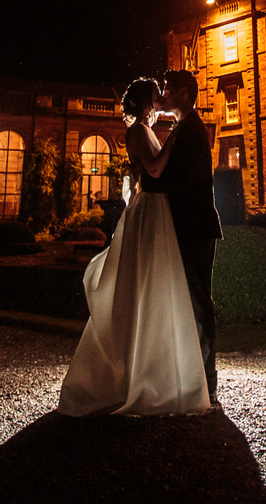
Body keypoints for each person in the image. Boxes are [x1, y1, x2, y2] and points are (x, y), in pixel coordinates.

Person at [56, 78, 211, 416]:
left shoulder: (147, 130)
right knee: (146, 286)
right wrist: (173, 140)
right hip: (150, 211)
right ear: (146, 102)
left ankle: (154, 369)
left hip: (157, 209)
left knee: (154, 288)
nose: (161, 99)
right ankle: (140, 374)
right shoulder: (141, 131)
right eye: (157, 95)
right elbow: (154, 169)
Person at [154, 68, 222, 403]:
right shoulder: (185, 127)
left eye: (168, 89)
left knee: (198, 301)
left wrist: (151, 185)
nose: (163, 94)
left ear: (183, 93)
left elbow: (188, 179)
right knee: (191, 301)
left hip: (194, 226)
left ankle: (206, 382)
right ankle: (196, 377)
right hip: (191, 225)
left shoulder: (192, 129)